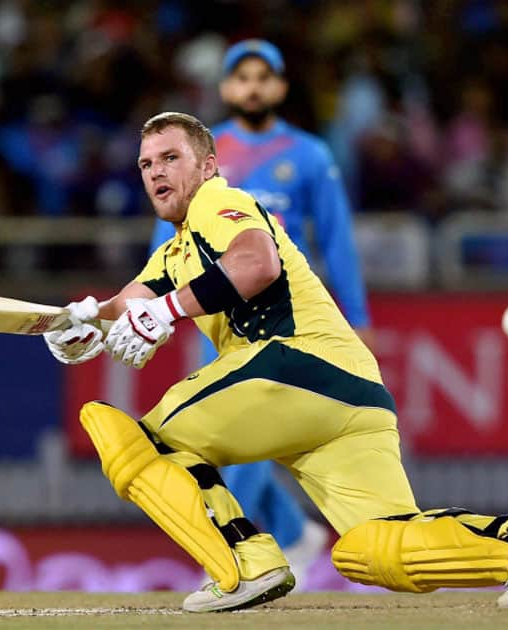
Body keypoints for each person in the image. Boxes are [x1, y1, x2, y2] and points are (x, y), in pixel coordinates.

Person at [44, 112, 508, 613]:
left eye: (169, 157)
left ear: (207, 166)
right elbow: (122, 308)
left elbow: (256, 264)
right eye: (145, 164)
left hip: (294, 364)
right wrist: (81, 323)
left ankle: (245, 564)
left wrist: (167, 310)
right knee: (373, 546)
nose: (155, 171)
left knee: (142, 444)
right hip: (356, 395)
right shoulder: (174, 253)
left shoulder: (217, 200)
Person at [148, 39, 370, 580]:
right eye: (241, 77)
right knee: (223, 433)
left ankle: (237, 554)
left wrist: (359, 318)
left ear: (281, 86)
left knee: (240, 428)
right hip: (212, 312)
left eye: (263, 76)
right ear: (226, 89)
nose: (252, 86)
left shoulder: (311, 154)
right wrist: (160, 306)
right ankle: (291, 533)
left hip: (279, 310)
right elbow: (168, 233)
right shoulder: (199, 152)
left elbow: (337, 241)